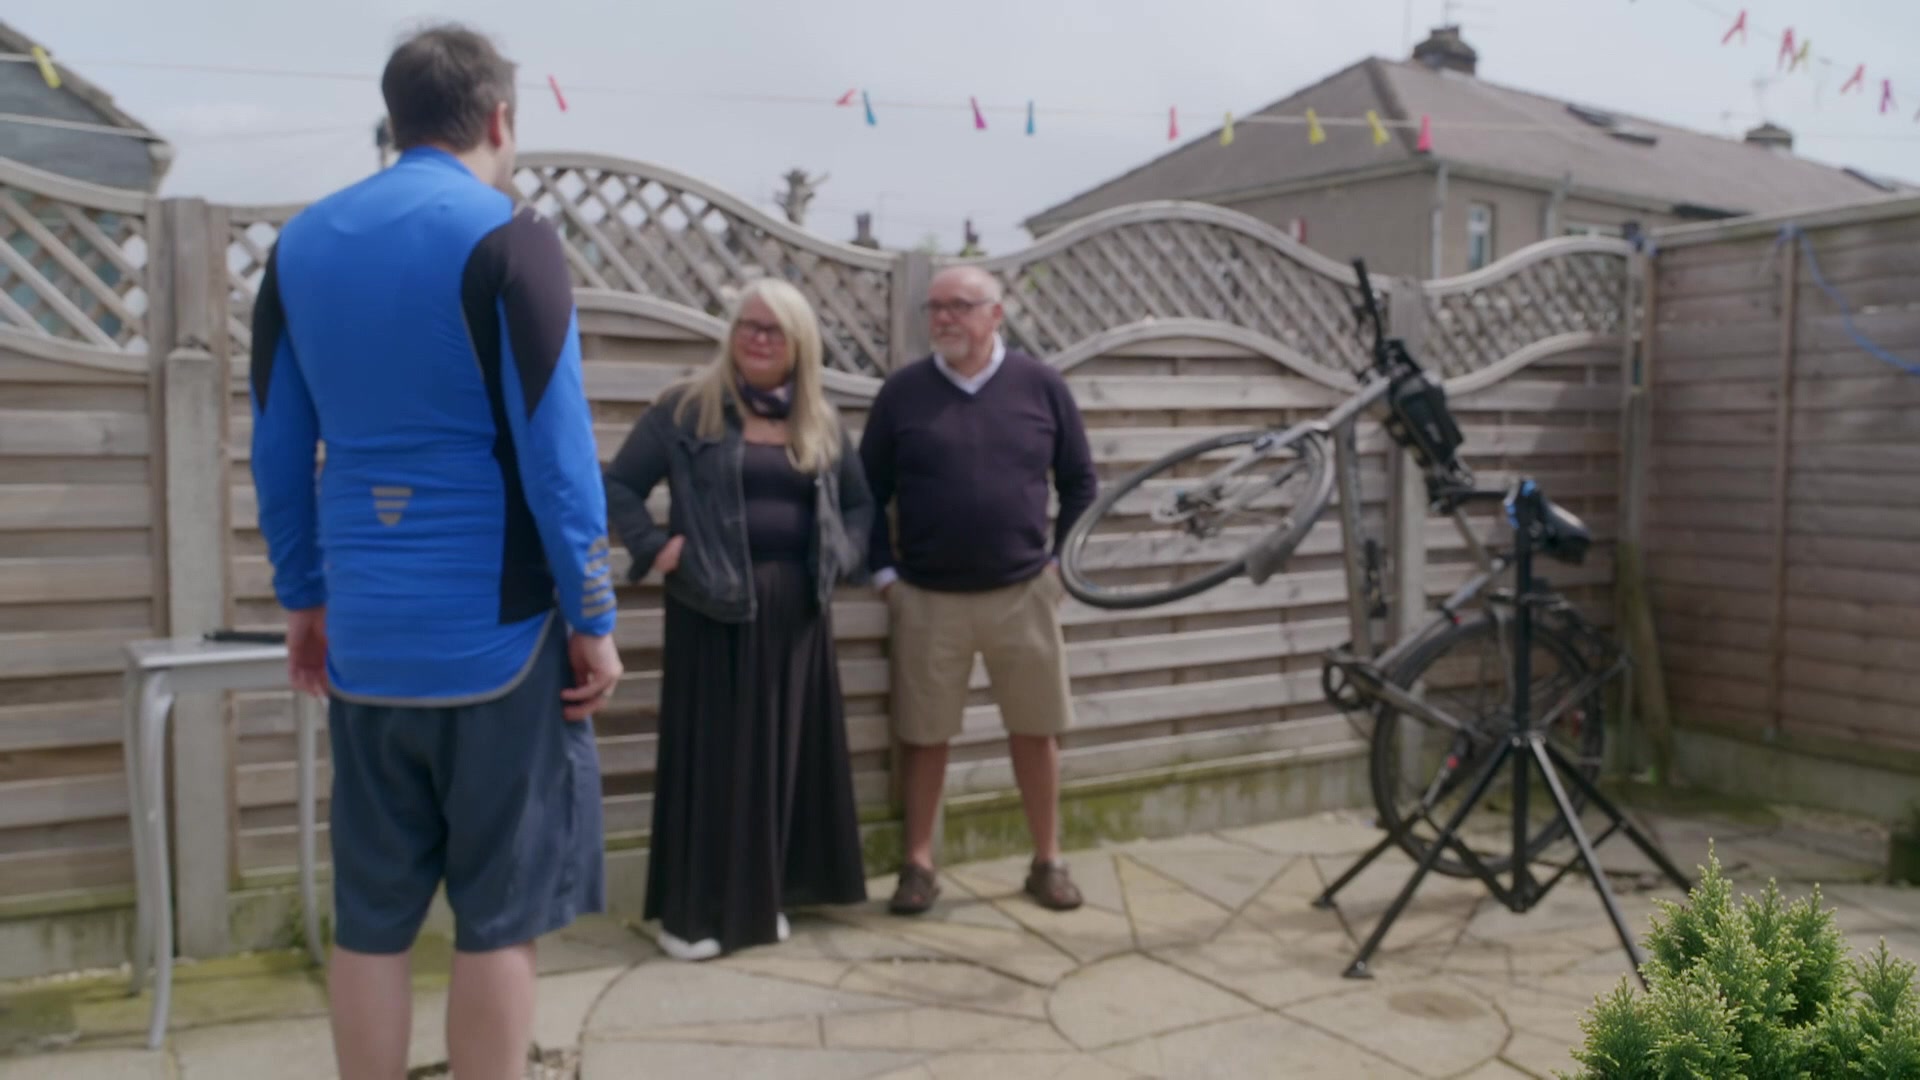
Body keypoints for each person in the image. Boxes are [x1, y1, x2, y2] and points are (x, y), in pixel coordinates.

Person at [247, 24, 623, 1080]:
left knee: (371, 917)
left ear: (395, 116)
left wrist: (303, 600)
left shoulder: (300, 245)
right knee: (499, 917)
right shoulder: (512, 235)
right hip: (496, 638)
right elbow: (558, 455)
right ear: (500, 117)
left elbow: (275, 445)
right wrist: (593, 616)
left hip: (366, 637)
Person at [603, 278, 873, 960]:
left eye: (773, 329)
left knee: (781, 759)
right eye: (747, 325)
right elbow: (616, 485)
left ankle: (765, 897)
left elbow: (861, 505)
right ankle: (693, 917)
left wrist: (840, 557)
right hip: (712, 608)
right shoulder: (685, 408)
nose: (757, 338)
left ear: (799, 344)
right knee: (717, 764)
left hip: (797, 614)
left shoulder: (819, 419)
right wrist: (652, 546)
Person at [859, 265, 1099, 916]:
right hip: (926, 598)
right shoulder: (903, 393)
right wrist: (885, 577)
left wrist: (1061, 567)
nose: (943, 318)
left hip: (1024, 593)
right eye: (935, 307)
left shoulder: (1041, 386)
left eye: (959, 306)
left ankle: (1048, 861)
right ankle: (918, 865)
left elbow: (1080, 483)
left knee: (1037, 731)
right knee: (924, 735)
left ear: (996, 313)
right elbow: (865, 493)